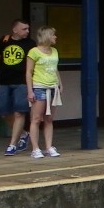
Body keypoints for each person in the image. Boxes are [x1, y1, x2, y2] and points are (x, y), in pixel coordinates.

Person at [0, 19, 35, 156]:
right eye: (24, 29)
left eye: (28, 29)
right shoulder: (4, 40)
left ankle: (12, 145)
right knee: (4, 112)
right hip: (4, 81)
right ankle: (23, 134)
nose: (27, 31)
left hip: (21, 82)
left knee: (19, 112)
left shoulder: (30, 44)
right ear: (15, 30)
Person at [25, 26, 62, 159]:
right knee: (36, 119)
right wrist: (30, 90)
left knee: (49, 119)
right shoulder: (33, 52)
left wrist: (60, 84)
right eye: (53, 35)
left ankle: (49, 147)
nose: (55, 37)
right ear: (46, 36)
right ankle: (35, 148)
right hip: (39, 87)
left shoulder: (54, 51)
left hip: (53, 87)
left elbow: (55, 69)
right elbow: (29, 72)